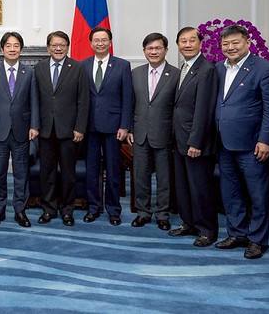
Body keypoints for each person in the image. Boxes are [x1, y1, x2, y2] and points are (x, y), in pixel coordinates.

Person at [214, 24, 269, 259]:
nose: (230, 47)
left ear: (247, 42)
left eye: (235, 43)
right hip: (223, 143)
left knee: (258, 194)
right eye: (226, 44)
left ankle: (258, 240)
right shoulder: (219, 69)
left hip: (252, 145)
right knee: (230, 192)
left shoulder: (265, 69)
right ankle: (237, 233)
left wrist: (265, 140)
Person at [0, 32, 40, 227]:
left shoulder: (29, 72)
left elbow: (34, 102)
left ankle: (20, 211)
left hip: (22, 130)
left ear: (20, 49)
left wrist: (34, 126)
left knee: (21, 173)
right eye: (9, 45)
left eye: (16, 46)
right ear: (2, 49)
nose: (12, 49)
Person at [34, 31, 89, 226]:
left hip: (69, 131)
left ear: (68, 46)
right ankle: (48, 209)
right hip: (45, 130)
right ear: (48, 47)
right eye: (54, 45)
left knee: (68, 173)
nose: (58, 48)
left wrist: (80, 128)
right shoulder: (39, 68)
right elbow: (35, 100)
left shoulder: (78, 68)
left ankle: (67, 210)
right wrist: (35, 126)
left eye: (62, 45)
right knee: (46, 173)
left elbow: (84, 101)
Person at [170, 26, 219, 247]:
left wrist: (195, 141)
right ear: (178, 45)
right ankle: (188, 222)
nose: (187, 45)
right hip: (178, 139)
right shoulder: (184, 67)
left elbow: (204, 109)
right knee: (183, 186)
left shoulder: (207, 69)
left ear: (200, 43)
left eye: (191, 41)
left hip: (194, 141)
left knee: (200, 187)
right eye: (183, 41)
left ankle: (207, 230)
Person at [81, 26, 133, 226]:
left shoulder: (122, 65)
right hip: (90, 127)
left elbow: (127, 98)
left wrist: (125, 125)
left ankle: (114, 210)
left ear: (110, 42)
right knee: (92, 170)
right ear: (91, 43)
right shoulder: (83, 65)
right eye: (96, 40)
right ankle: (93, 208)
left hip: (114, 128)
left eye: (104, 40)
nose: (100, 43)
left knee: (113, 171)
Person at [129, 32, 178, 231]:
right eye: (150, 48)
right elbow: (130, 104)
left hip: (165, 134)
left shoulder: (176, 74)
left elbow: (178, 107)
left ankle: (163, 214)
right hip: (140, 133)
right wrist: (131, 128)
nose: (154, 51)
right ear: (144, 51)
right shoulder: (136, 73)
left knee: (164, 177)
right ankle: (143, 212)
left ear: (166, 50)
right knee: (140, 176)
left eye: (158, 48)